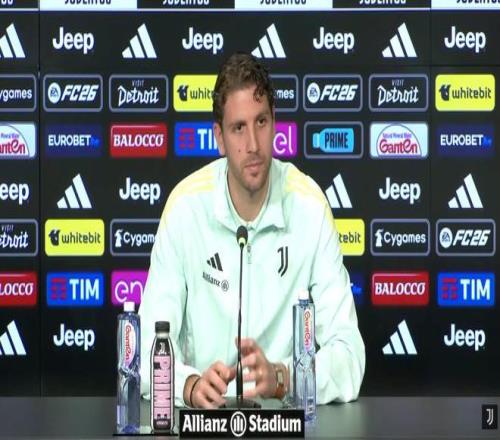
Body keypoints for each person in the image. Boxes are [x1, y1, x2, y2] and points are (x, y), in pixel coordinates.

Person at [139, 52, 365, 409]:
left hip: (284, 424)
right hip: (204, 424)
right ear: (219, 137)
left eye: (261, 122)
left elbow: (348, 355)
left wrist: (284, 378)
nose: (254, 145)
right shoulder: (185, 209)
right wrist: (190, 386)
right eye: (238, 128)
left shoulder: (309, 207)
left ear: (275, 122)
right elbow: (145, 351)